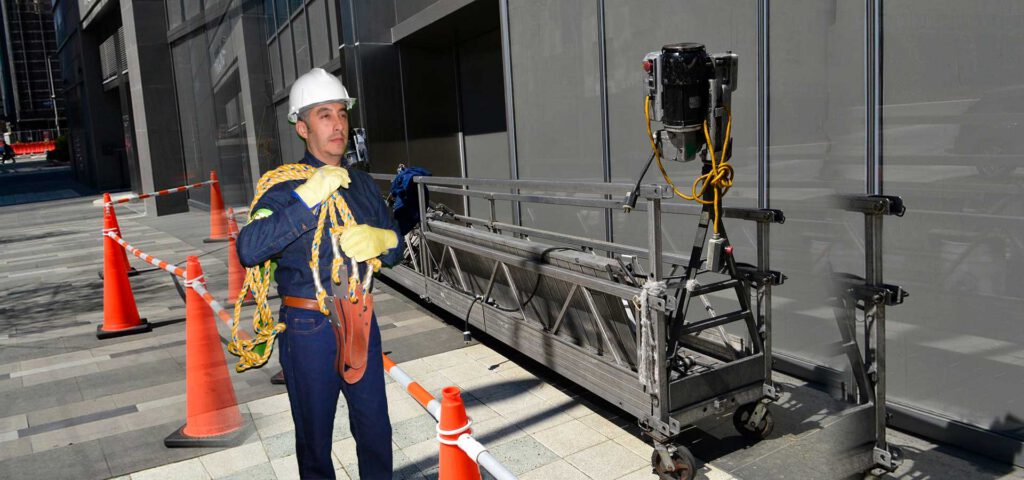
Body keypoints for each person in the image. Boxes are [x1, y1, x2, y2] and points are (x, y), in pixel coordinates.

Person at [237, 68, 404, 479]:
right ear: (302, 128)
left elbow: (397, 248)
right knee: (314, 441)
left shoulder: (361, 184)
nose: (338, 124)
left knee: (376, 431)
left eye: (342, 114)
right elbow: (249, 248)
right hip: (307, 326)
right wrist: (308, 197)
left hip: (359, 316)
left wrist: (384, 240)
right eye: (324, 115)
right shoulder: (282, 189)